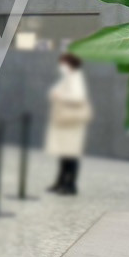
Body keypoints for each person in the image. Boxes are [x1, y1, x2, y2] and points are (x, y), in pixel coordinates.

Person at [47, 53, 92, 194]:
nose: (61, 67)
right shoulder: (69, 78)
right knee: (64, 154)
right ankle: (61, 182)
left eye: (63, 63)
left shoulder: (75, 78)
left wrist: (60, 95)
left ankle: (70, 185)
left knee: (71, 155)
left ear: (69, 64)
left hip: (72, 123)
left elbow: (78, 97)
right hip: (66, 123)